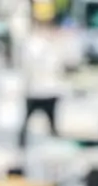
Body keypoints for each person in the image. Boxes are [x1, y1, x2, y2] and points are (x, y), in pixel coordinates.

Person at [19, 2, 68, 148]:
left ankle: (54, 146)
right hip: (37, 88)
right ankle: (23, 144)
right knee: (28, 121)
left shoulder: (49, 42)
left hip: (47, 88)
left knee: (49, 122)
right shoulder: (34, 43)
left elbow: (59, 64)